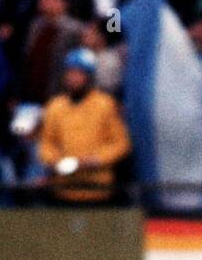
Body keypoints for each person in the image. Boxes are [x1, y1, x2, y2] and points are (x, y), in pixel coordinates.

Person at [37, 47, 132, 202]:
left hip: (98, 188)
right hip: (64, 188)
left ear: (89, 77)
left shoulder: (105, 105)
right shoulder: (55, 106)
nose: (73, 77)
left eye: (79, 73)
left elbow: (121, 143)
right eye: (70, 72)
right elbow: (46, 143)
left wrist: (95, 160)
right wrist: (56, 161)